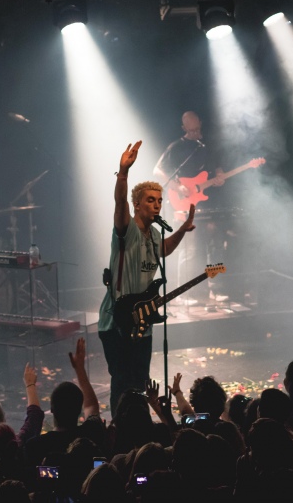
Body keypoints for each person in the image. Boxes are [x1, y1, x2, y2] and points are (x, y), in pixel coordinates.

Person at [98, 140, 196, 416]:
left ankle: (137, 426)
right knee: (122, 382)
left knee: (140, 382)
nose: (157, 205)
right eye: (150, 201)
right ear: (137, 204)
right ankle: (120, 430)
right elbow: (119, 201)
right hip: (116, 319)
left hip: (144, 320)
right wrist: (123, 172)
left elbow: (163, 250)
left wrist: (182, 230)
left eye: (159, 201)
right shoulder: (125, 229)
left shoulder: (155, 234)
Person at [153, 111, 228, 303]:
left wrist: (219, 176)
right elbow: (158, 170)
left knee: (215, 244)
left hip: (209, 201)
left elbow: (217, 167)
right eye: (192, 130)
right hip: (186, 204)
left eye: (198, 129)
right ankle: (184, 293)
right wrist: (178, 187)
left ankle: (215, 288)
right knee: (189, 248)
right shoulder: (176, 147)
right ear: (184, 128)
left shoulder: (207, 146)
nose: (196, 133)